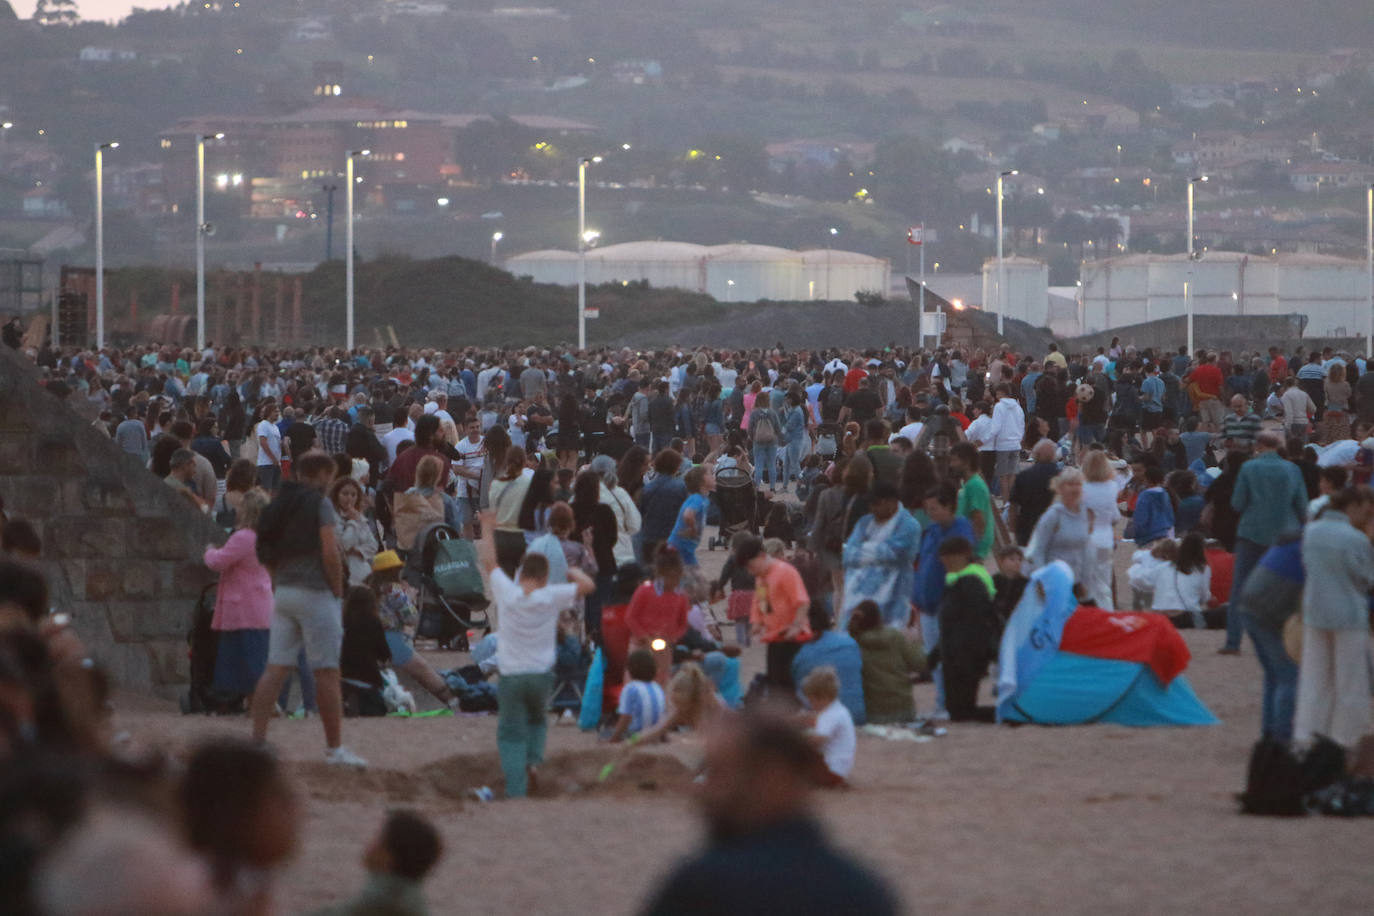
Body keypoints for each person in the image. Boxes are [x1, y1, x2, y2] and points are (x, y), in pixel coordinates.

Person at [637, 709, 900, 916]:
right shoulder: (862, 890)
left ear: (773, 778)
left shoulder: (702, 888)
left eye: (719, 774)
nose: (701, 791)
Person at [249, 451, 366, 768]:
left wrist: (278, 582)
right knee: (327, 672)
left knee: (275, 669)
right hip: (315, 592)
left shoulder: (278, 504)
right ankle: (335, 749)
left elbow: (264, 549)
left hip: (284, 591)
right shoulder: (319, 503)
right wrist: (338, 592)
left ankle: (257, 743)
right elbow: (329, 551)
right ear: (325, 475)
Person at [487, 549, 594, 798]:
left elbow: (489, 562)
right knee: (537, 721)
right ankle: (533, 763)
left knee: (511, 732)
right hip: (541, 675)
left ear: (521, 573)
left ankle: (516, 788)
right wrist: (573, 571)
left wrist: (488, 526)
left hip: (512, 674)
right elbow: (588, 586)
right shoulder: (550, 596)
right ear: (545, 577)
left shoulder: (507, 592)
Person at [1293, 487, 1374, 752]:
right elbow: (1367, 578)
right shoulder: (1355, 538)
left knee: (1315, 678)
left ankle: (1308, 735)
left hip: (1315, 611)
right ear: (1356, 505)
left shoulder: (1311, 532)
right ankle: (1344, 739)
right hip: (1348, 614)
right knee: (1350, 681)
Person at [1224, 430, 1307, 655]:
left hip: (1251, 531)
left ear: (1258, 446)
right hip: (1284, 534)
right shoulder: (1292, 469)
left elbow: (1237, 503)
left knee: (1239, 587)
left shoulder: (1248, 468)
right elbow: (1302, 507)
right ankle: (1284, 640)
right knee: (1286, 589)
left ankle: (1233, 641)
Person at [201, 489, 273, 706]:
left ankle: (260, 705)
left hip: (243, 609)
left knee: (248, 666)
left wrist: (209, 551)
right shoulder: (264, 538)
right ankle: (257, 704)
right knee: (258, 662)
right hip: (261, 607)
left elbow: (218, 562)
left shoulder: (243, 538)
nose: (237, 510)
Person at [313, 810, 442, 916]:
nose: (371, 844)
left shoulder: (386, 899)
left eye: (379, 839)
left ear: (388, 856)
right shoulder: (408, 896)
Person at [1238, 533, 1303, 741]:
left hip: (1251, 603)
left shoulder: (1295, 539)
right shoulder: (1318, 544)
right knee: (1289, 676)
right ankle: (1281, 740)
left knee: (1274, 675)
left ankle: (1270, 733)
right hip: (1269, 610)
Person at [839, 481, 920, 629]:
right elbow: (848, 555)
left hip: (894, 598)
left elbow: (895, 554)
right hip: (857, 598)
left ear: (892, 502)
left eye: (877, 504)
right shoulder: (865, 523)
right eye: (870, 505)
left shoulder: (909, 526)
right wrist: (878, 551)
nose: (872, 509)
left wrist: (863, 550)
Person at [737, 534, 812, 691]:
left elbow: (802, 601)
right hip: (774, 636)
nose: (750, 572)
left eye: (751, 566)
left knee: (790, 682)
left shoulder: (786, 572)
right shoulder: (761, 577)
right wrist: (757, 623)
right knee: (774, 682)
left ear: (762, 556)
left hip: (793, 638)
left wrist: (796, 626)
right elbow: (762, 603)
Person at [935, 536, 998, 722]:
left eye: (948, 557)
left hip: (967, 653)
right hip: (953, 651)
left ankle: (1003, 713)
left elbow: (977, 620)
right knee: (956, 709)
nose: (944, 562)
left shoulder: (972, 582)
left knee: (962, 711)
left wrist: (969, 653)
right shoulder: (954, 580)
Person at [847, 599, 924, 724]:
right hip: (904, 710)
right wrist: (915, 642)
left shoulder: (853, 643)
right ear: (879, 617)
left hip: (873, 714)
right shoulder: (895, 636)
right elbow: (920, 664)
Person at [626, 546, 691, 683]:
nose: (674, 581)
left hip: (664, 648)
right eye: (670, 577)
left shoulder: (681, 597)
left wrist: (673, 637)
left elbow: (683, 623)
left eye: (677, 577)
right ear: (661, 574)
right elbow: (631, 617)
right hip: (640, 647)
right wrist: (644, 636)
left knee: (662, 680)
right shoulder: (644, 591)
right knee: (635, 681)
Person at [790, 605, 865, 725]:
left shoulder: (802, 655)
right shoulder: (850, 643)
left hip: (822, 718)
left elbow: (796, 686)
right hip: (858, 715)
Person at [1024, 467, 1094, 589]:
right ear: (1060, 488)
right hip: (1053, 580)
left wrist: (1086, 580)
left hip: (1076, 581)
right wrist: (1043, 580)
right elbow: (1037, 550)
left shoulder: (1084, 512)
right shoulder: (1053, 514)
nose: (1075, 488)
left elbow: (1085, 549)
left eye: (1078, 484)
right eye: (1070, 484)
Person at [1128, 532, 1212, 625]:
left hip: (1160, 613)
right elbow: (1204, 596)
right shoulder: (1203, 569)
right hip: (1187, 614)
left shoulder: (1163, 567)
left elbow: (1139, 580)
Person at [800, 667, 855, 786]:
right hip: (840, 769)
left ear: (822, 697)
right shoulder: (839, 709)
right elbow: (814, 720)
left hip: (830, 770)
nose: (810, 704)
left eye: (811, 700)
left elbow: (819, 739)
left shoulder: (828, 715)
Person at [1079, 449, 1121, 606]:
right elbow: (1115, 517)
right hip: (1105, 538)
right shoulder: (1111, 487)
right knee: (1104, 582)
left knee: (1087, 581)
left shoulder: (1081, 488)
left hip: (1087, 538)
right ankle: (1107, 611)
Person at [638, 449, 687, 564]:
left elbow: (641, 513)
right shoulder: (680, 487)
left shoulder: (647, 488)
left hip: (650, 538)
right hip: (672, 538)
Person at [608, 648, 667, 743]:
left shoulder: (630, 688)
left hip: (636, 736)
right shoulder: (657, 687)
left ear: (630, 670)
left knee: (606, 733)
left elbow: (625, 718)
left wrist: (613, 739)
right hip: (655, 734)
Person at [1008, 439, 1059, 547]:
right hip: (1054, 529)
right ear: (1054, 455)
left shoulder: (1024, 476)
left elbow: (1013, 505)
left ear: (1036, 455)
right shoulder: (1062, 476)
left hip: (1026, 528)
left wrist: (1012, 528)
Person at [948, 441, 994, 560]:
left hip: (972, 550)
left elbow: (979, 520)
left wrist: (970, 550)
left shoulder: (974, 486)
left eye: (954, 460)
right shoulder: (967, 484)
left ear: (966, 462)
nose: (951, 465)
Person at [331, 476, 379, 588]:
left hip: (363, 573)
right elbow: (344, 544)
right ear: (337, 495)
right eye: (345, 494)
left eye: (353, 495)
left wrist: (358, 550)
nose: (349, 498)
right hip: (344, 575)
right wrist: (352, 522)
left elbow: (373, 545)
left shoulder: (360, 517)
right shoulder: (333, 518)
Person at [666, 464, 715, 567]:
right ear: (702, 481)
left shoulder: (701, 498)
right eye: (710, 474)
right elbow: (688, 514)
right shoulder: (697, 498)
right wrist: (693, 529)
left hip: (684, 548)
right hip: (679, 547)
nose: (713, 477)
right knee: (692, 579)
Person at [989, 383, 1025, 498]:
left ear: (1000, 393)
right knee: (1012, 473)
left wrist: (989, 439)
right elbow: (1022, 425)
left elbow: (996, 427)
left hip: (1002, 445)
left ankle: (1005, 500)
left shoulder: (999, 407)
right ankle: (1012, 500)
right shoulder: (1018, 407)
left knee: (1002, 475)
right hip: (1015, 444)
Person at [1132, 465, 1175, 548]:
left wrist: (1138, 534)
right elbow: (1170, 515)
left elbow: (1141, 518)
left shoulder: (1145, 495)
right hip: (1166, 532)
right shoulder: (1165, 493)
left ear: (1147, 479)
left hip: (1150, 536)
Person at [255, 401, 284, 490]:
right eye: (275, 411)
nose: (277, 414)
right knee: (266, 489)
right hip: (266, 463)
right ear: (269, 412)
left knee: (276, 489)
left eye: (278, 411)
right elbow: (263, 443)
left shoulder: (275, 427)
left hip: (276, 463)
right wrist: (273, 459)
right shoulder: (263, 425)